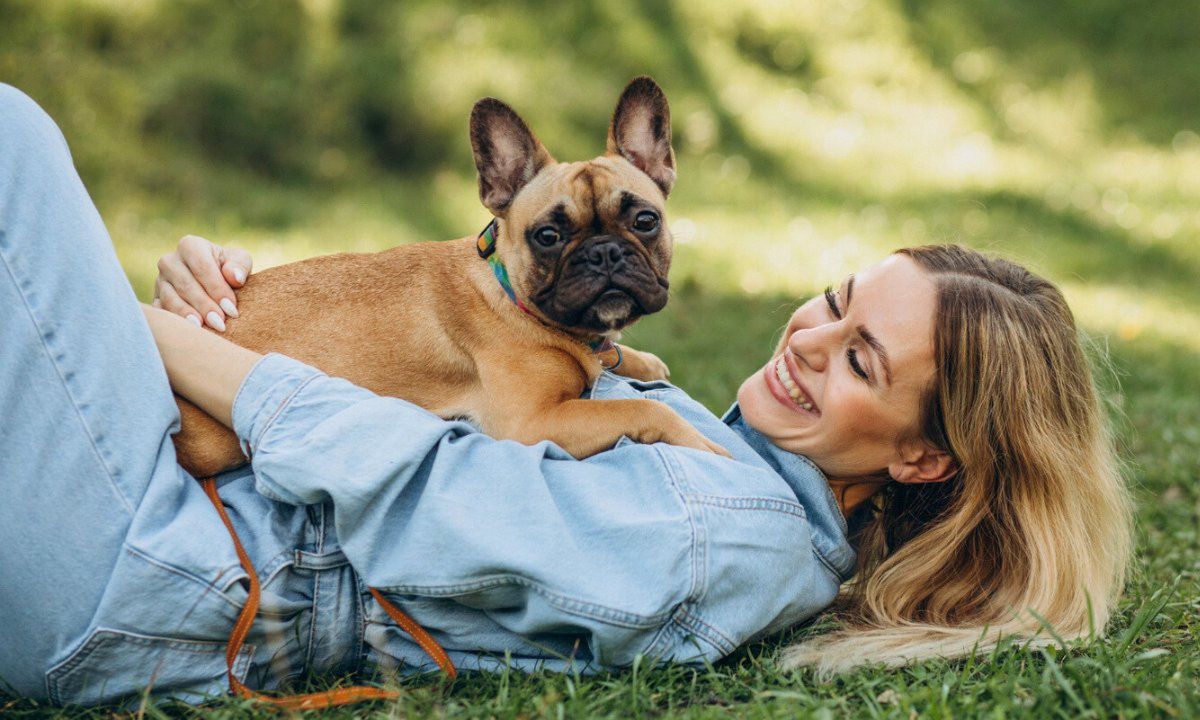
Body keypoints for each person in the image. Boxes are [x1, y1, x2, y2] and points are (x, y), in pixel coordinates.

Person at [0, 83, 1133, 708]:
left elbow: (414, 479)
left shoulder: (720, 520)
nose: (807, 336)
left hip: (157, 571)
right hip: (158, 523)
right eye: (834, 300)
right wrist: (213, 311)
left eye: (859, 360)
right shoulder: (715, 449)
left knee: (16, 144)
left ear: (924, 459)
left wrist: (136, 331)